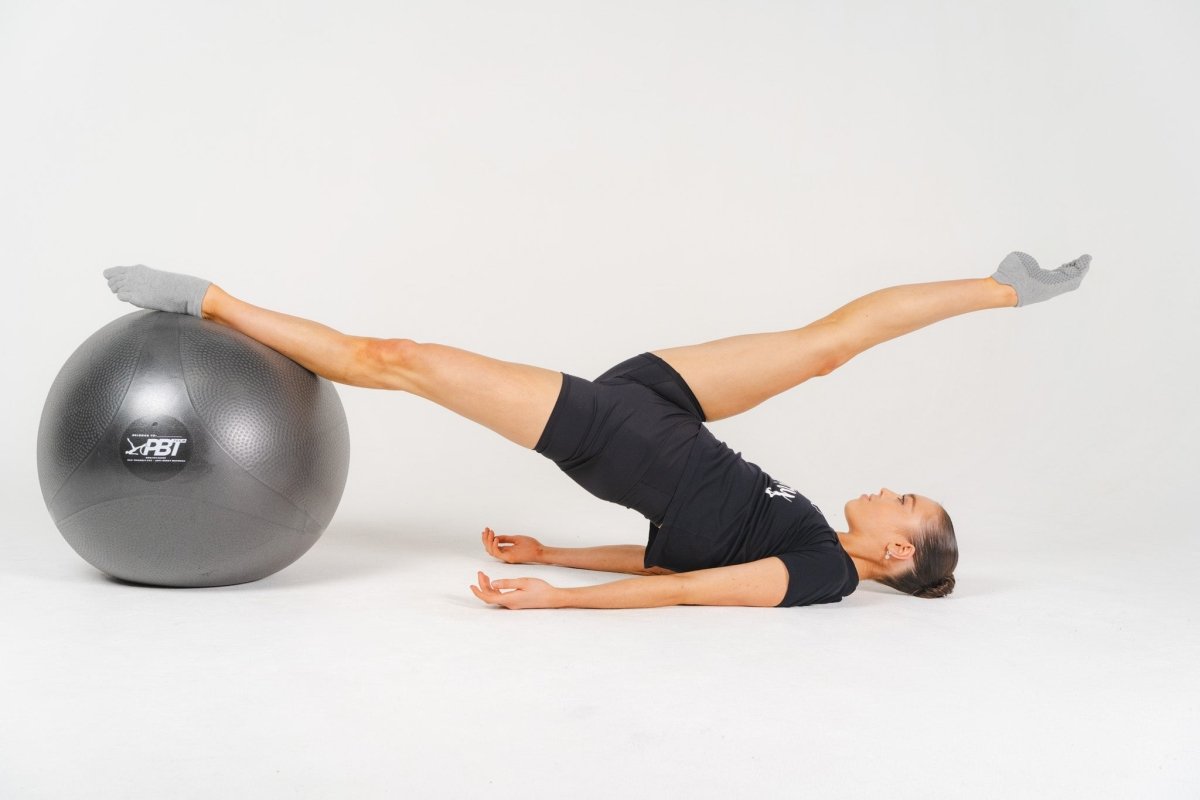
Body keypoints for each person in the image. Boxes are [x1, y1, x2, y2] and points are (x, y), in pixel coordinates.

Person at [102, 250, 1090, 610]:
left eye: (905, 501)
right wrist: (556, 551)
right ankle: (1003, 285)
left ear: (897, 550)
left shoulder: (823, 575)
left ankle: (210, 300)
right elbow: (681, 553)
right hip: (662, 406)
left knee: (398, 358)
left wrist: (555, 593)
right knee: (822, 346)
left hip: (621, 438)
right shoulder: (815, 539)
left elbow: (687, 586)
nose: (889, 487)